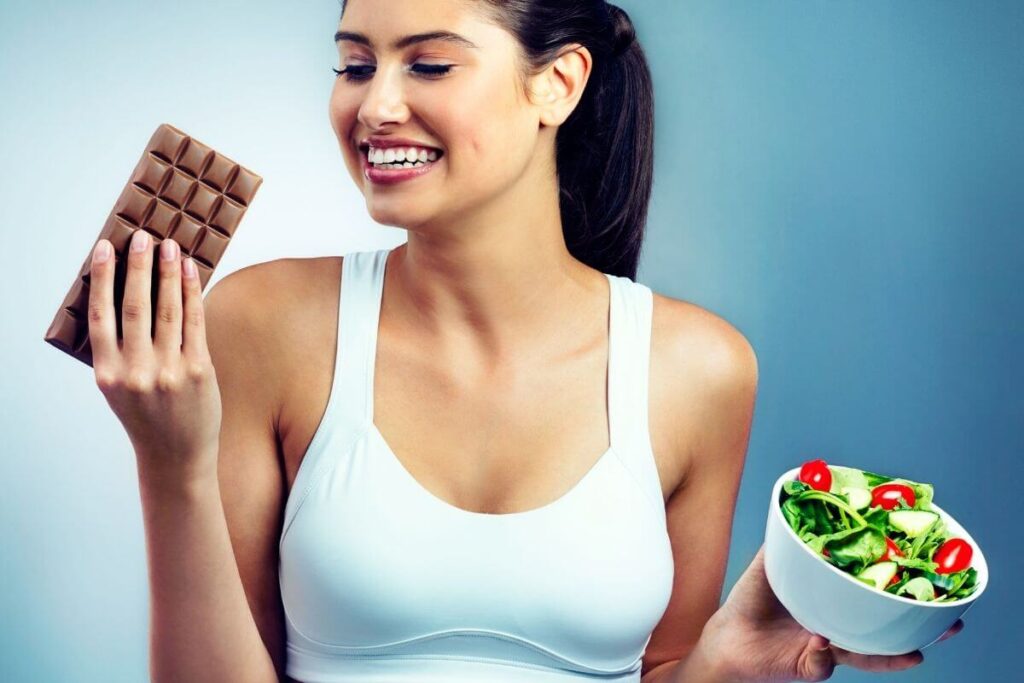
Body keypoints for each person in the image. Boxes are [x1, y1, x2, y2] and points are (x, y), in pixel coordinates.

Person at [86, 1, 964, 682]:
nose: (375, 104)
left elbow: (667, 668)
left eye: (428, 62)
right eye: (353, 64)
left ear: (559, 84)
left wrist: (724, 664)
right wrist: (172, 465)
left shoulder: (700, 369)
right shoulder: (265, 322)